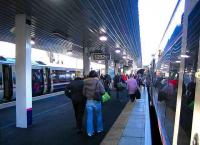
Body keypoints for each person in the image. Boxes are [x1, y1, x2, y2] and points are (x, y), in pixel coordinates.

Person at [83, 70, 105, 137]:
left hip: (89, 101)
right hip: (96, 101)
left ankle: (90, 132)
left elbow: (83, 93)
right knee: (99, 115)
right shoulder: (98, 81)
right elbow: (103, 91)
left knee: (89, 117)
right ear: (96, 75)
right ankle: (99, 129)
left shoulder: (85, 82)